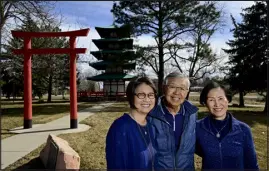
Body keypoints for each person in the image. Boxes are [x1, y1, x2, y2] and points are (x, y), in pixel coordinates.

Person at [196, 81, 259, 170]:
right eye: (211, 100)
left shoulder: (244, 130)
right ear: (205, 103)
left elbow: (252, 166)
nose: (217, 104)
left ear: (227, 99)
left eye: (220, 98)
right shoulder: (197, 128)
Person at [148, 72, 198, 170]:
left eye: (182, 88)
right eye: (172, 87)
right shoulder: (151, 114)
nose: (177, 92)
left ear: (187, 91)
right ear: (163, 88)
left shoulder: (192, 114)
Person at [106, 76, 157, 170]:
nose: (147, 99)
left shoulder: (152, 125)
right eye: (141, 95)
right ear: (131, 97)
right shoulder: (120, 128)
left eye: (151, 95)